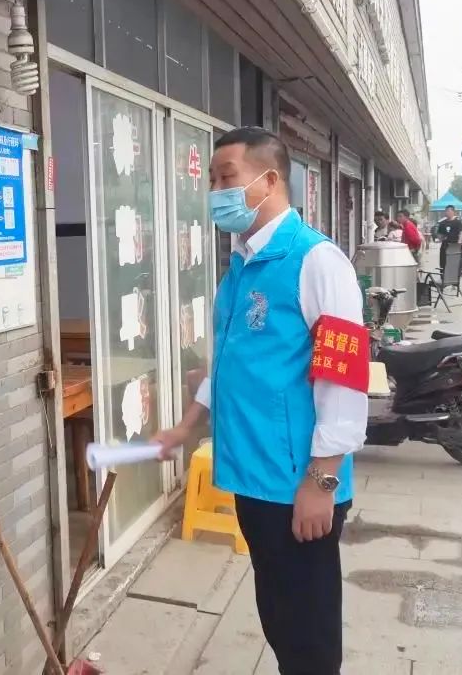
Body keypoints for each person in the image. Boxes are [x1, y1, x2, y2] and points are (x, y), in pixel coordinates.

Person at [154, 127, 367, 675]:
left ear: (269, 180)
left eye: (227, 177)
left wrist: (322, 482)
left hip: (298, 484)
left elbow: (344, 379)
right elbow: (227, 365)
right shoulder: (240, 266)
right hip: (252, 478)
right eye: (212, 179)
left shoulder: (317, 261)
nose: (216, 191)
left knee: (308, 632)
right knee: (278, 615)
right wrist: (187, 426)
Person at [435, 204, 462, 271]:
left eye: (449, 211)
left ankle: (457, 273)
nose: (447, 212)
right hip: (445, 246)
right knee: (444, 263)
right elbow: (440, 234)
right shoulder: (442, 223)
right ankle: (443, 274)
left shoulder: (457, 222)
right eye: (446, 211)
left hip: (454, 246)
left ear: (453, 212)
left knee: (455, 264)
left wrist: (459, 241)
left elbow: (461, 232)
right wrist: (440, 238)